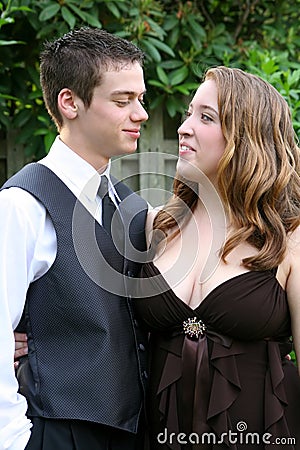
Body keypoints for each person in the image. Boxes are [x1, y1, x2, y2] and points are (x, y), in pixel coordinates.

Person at [134, 66, 300, 449]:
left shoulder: (289, 239)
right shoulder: (154, 227)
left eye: (205, 117)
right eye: (189, 113)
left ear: (247, 138)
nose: (184, 127)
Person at [0, 27, 150, 450]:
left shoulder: (131, 205)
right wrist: (16, 442)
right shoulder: (22, 205)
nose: (139, 114)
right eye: (123, 101)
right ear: (70, 103)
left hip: (134, 431)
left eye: (140, 99)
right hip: (55, 431)